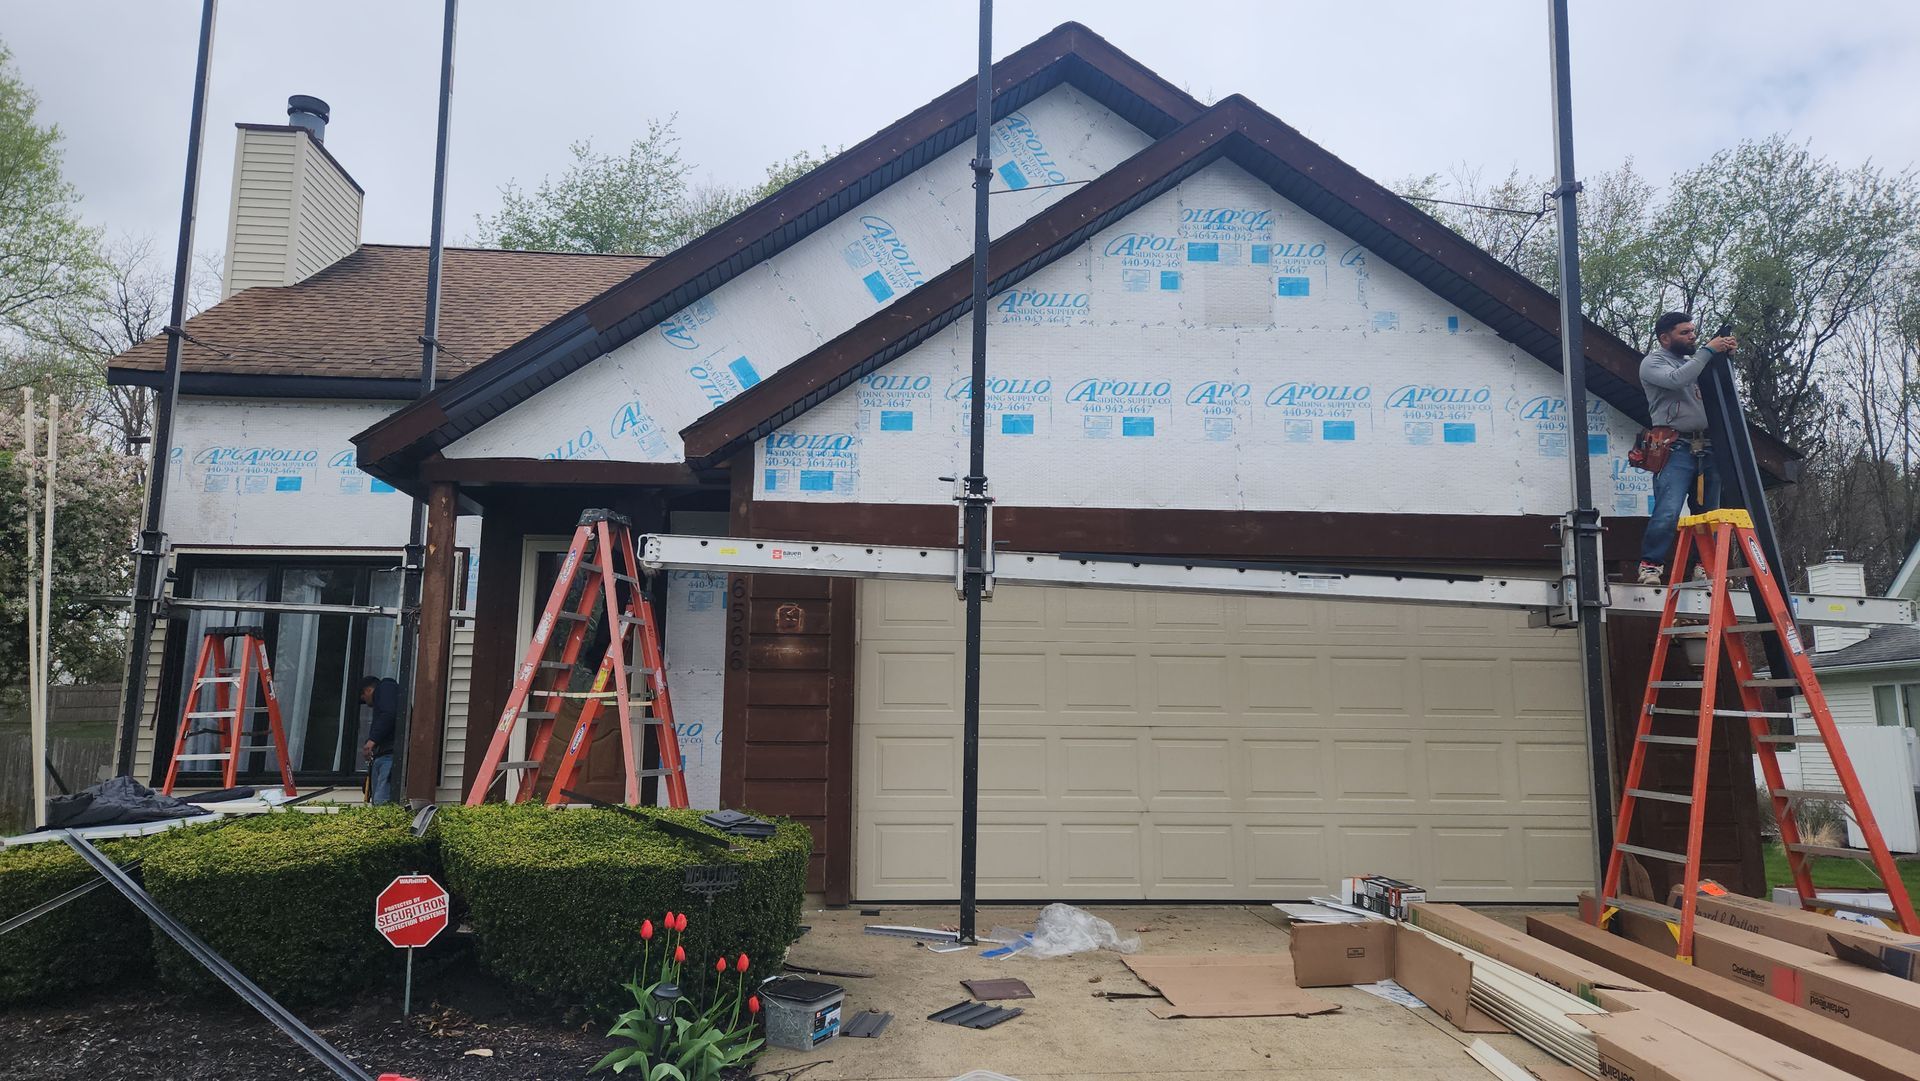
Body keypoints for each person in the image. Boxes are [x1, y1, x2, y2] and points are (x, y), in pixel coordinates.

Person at [1637, 311, 1738, 585]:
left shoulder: (1695, 362)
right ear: (1665, 338)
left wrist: (1725, 358)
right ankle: (1651, 566)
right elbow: (1676, 380)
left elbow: (1721, 388)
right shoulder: (1653, 362)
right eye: (1684, 332)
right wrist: (1708, 351)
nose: (1692, 336)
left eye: (1693, 331)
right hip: (1675, 447)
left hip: (1708, 446)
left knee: (1707, 513)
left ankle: (1704, 567)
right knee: (1668, 510)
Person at [358, 675, 400, 804]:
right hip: (384, 755)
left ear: (368, 690)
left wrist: (372, 740)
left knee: (382, 802)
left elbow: (389, 714)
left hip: (389, 755)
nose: (367, 703)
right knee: (379, 801)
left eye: (363, 699)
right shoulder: (389, 693)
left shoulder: (386, 687)